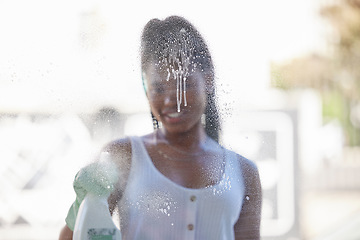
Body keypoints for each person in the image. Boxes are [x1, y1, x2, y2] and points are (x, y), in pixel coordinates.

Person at [59, 15, 262, 240]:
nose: (169, 100)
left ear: (209, 80)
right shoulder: (123, 157)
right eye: (158, 89)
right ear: (146, 90)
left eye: (182, 84)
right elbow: (74, 236)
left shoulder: (243, 172)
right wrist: (81, 206)